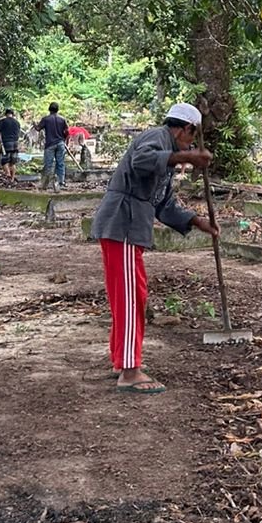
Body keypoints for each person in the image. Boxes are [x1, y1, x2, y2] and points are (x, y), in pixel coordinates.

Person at [90, 102, 219, 393]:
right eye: (191, 137)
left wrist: (198, 222)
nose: (189, 144)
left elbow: (163, 203)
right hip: (122, 224)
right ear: (186, 129)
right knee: (130, 298)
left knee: (133, 294)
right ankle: (129, 370)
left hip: (131, 228)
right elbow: (140, 160)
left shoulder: (167, 154)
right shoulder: (157, 137)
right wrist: (184, 156)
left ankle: (122, 360)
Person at [36, 101, 70, 190]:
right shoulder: (62, 119)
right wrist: (66, 142)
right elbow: (67, 132)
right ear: (57, 110)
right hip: (60, 143)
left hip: (50, 144)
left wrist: (34, 125)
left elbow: (38, 128)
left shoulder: (46, 119)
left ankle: (46, 183)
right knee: (60, 163)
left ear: (49, 109)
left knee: (48, 164)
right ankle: (61, 182)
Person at [0, 107, 22, 184]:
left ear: (5, 114)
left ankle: (8, 175)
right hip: (15, 144)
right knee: (12, 162)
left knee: (4, 161)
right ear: (12, 114)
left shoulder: (2, 121)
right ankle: (12, 179)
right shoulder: (17, 122)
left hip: (6, 143)